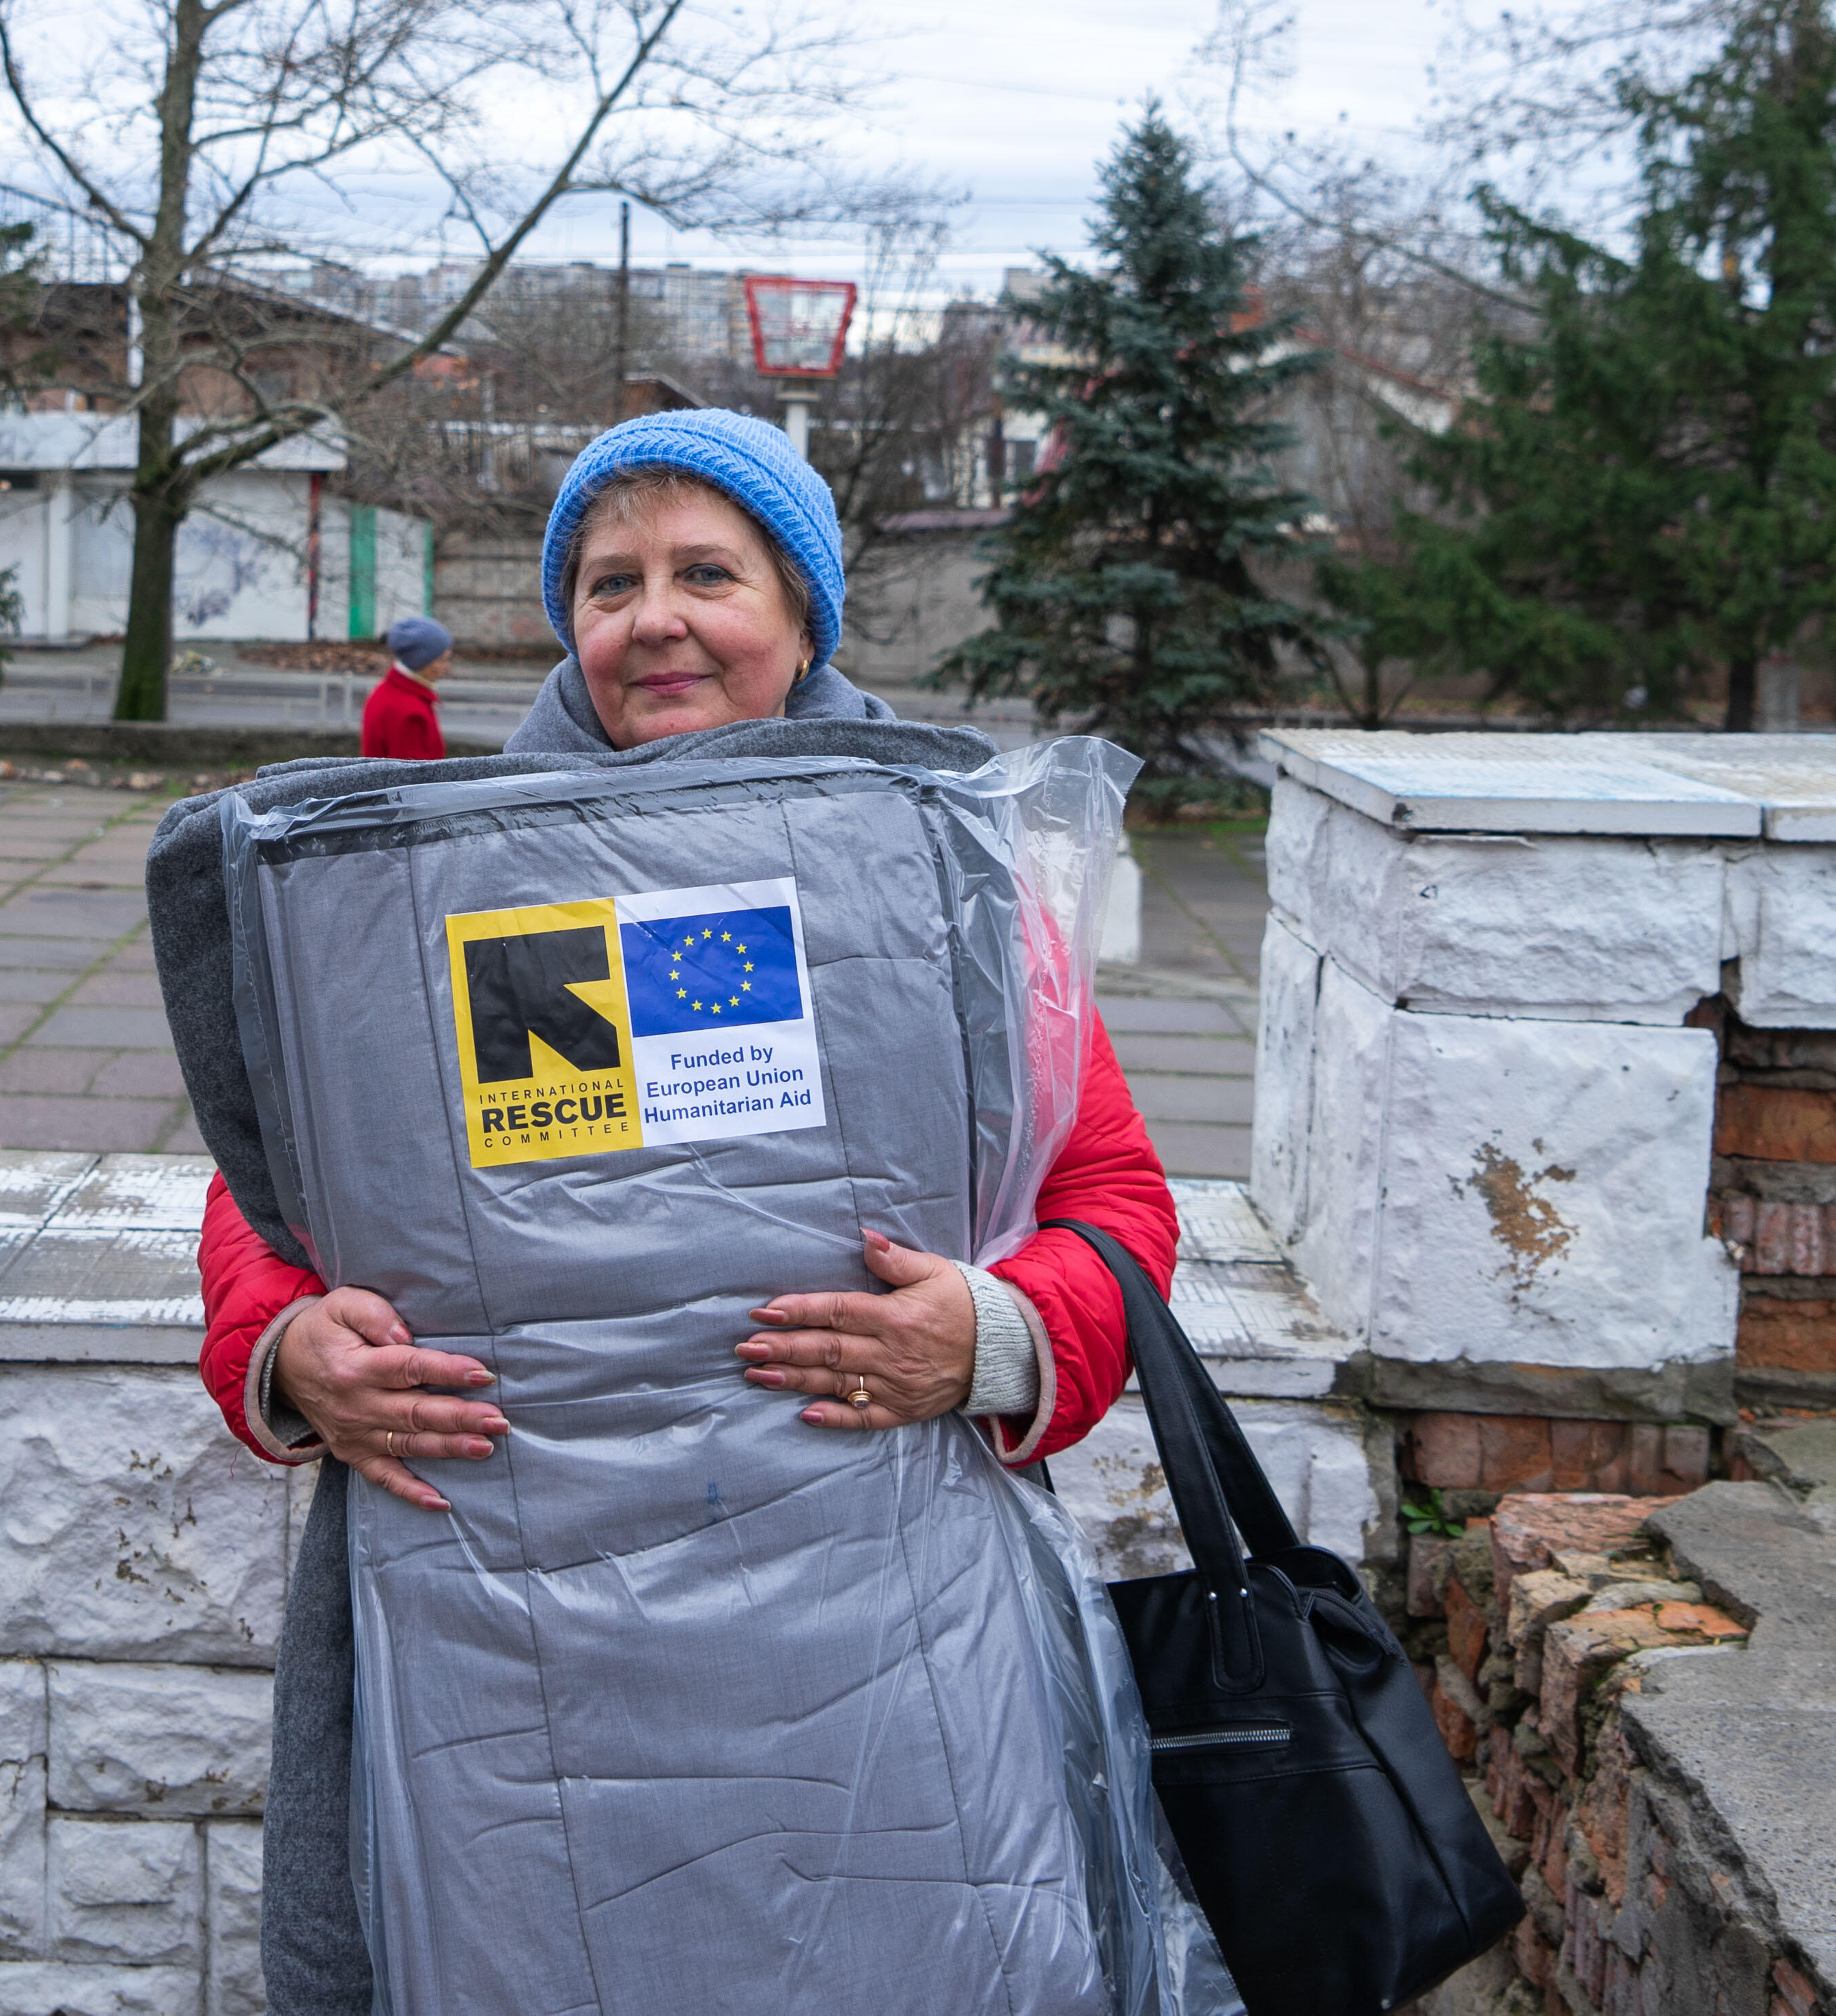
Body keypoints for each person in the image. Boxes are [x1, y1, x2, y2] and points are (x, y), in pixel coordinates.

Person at [182, 408, 1180, 2012]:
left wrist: (993, 1334)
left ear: (800, 615)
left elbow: (1111, 1194)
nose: (654, 617)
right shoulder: (450, 877)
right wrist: (287, 1343)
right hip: (511, 1640)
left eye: (707, 571)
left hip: (875, 1629)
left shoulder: (949, 874)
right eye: (609, 578)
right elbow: (281, 1183)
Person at [354, 613, 453, 760]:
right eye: (442, 660)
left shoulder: (386, 691)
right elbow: (417, 778)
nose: (447, 667)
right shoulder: (411, 711)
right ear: (422, 662)